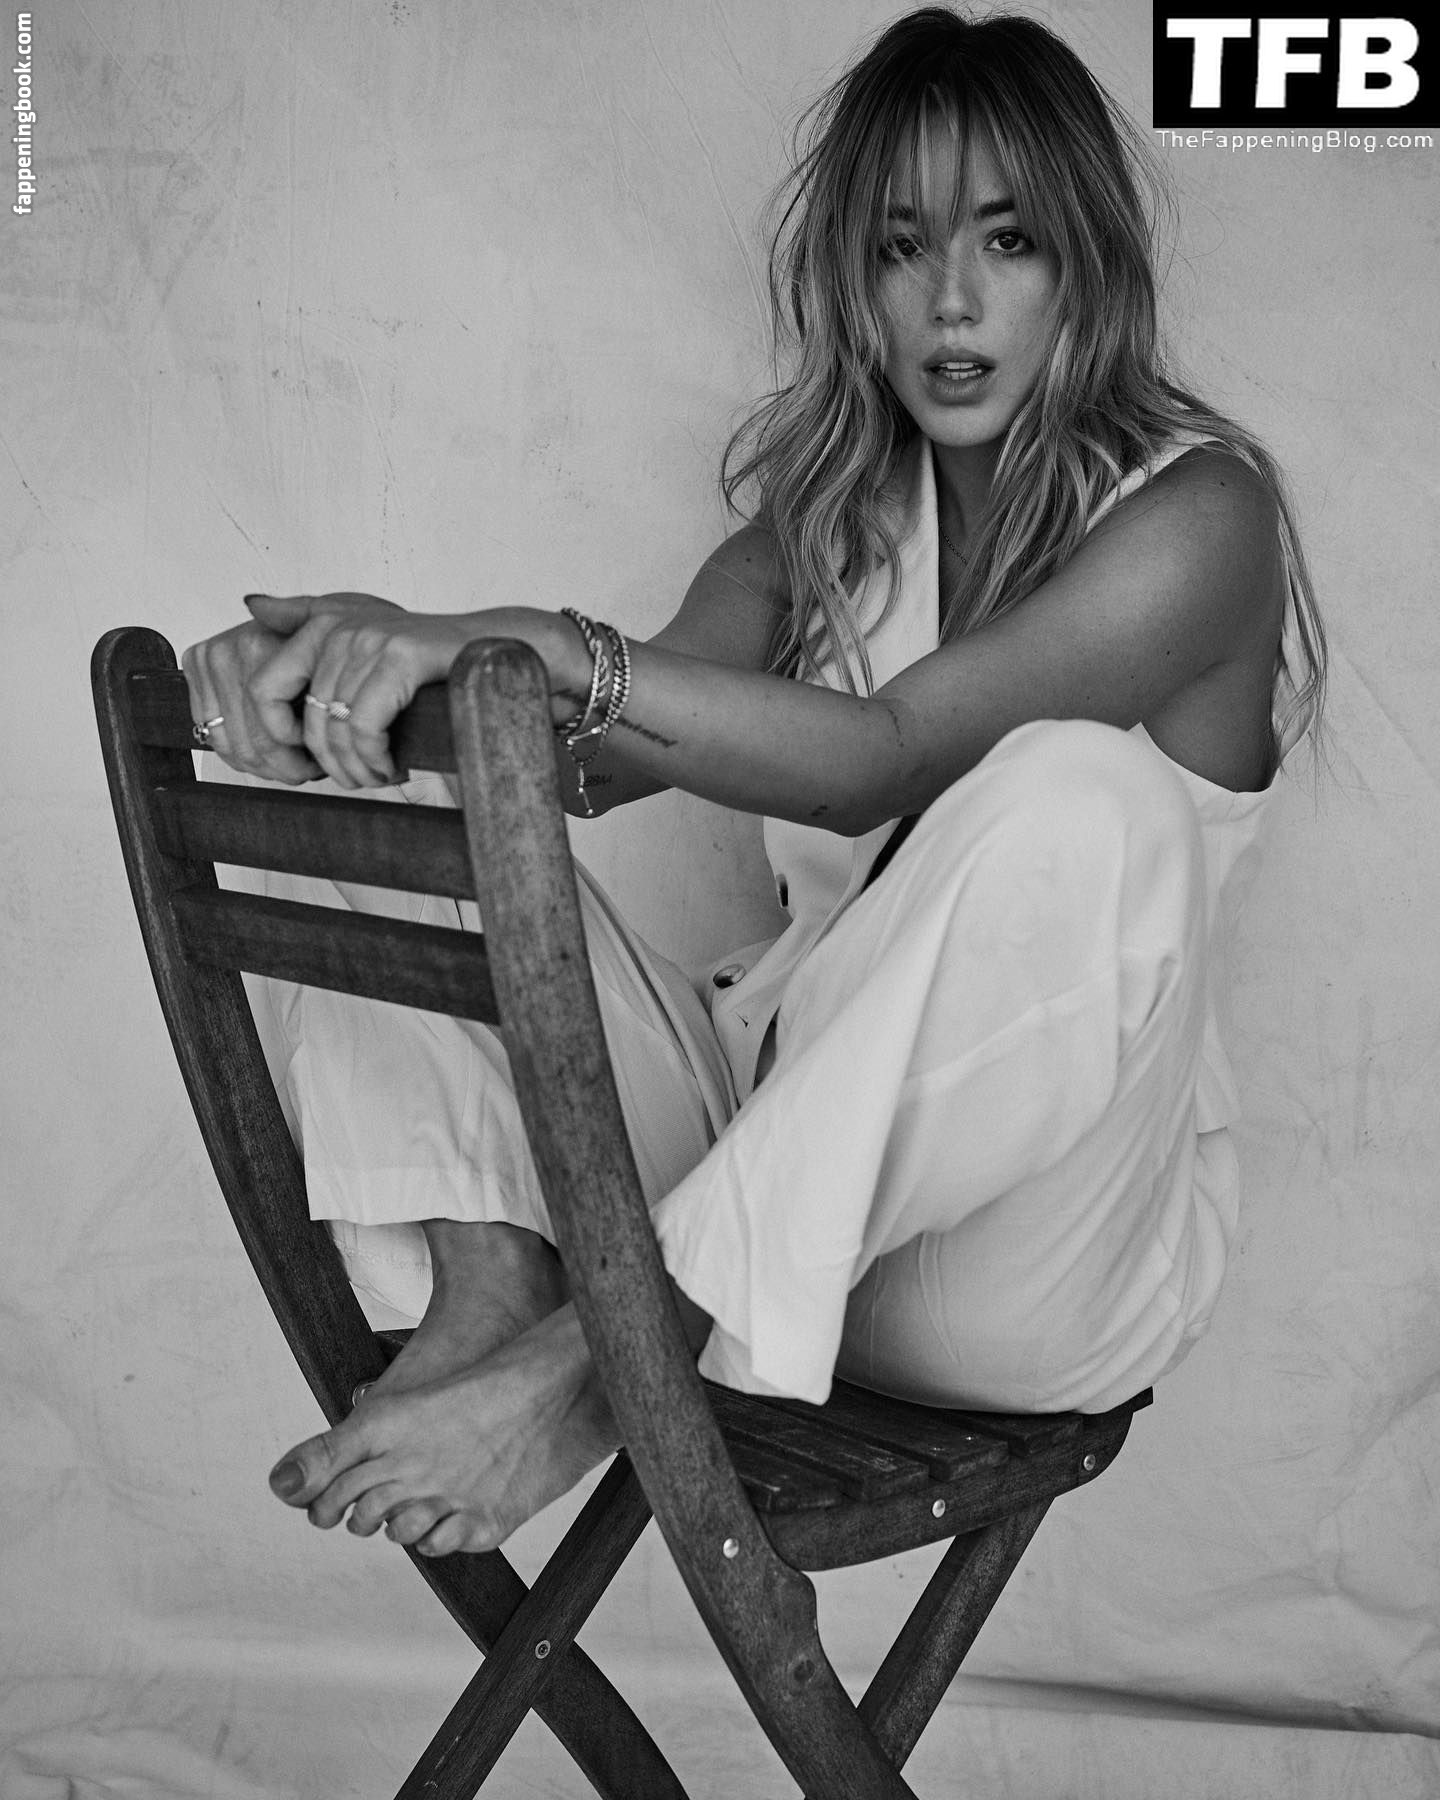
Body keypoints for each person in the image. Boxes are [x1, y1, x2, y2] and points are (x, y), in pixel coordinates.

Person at [182, 7, 1325, 1561]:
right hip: (759, 1164)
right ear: (852, 278)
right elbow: (574, 767)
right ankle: (493, 1281)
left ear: (1089, 265)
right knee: (384, 756)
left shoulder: (1199, 519)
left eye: (1009, 241)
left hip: (1028, 1264)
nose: (952, 299)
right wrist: (335, 667)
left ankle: (602, 1362)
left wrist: (530, 639)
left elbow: (882, 761)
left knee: (1083, 799)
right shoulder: (821, 528)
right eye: (901, 247)